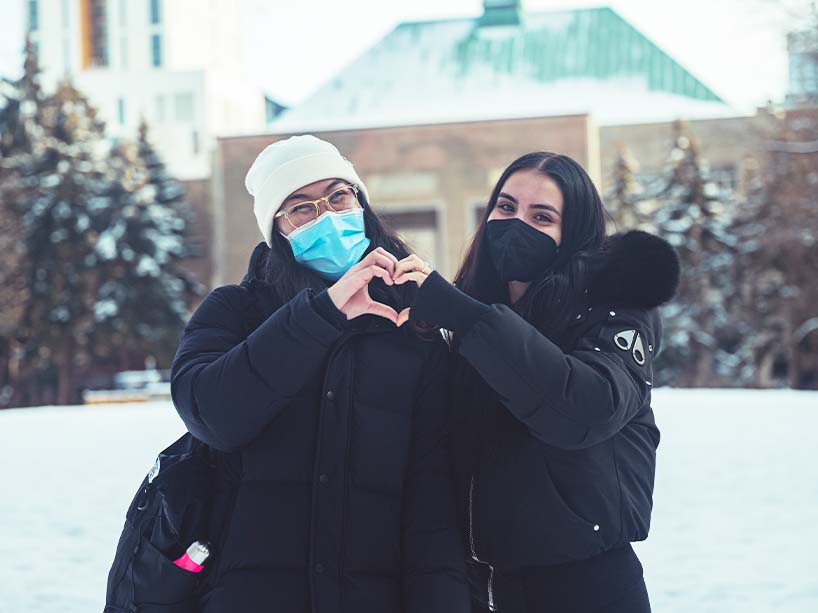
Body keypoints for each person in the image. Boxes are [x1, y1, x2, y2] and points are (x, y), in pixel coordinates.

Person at [170, 135, 469, 613]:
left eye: (338, 195)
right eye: (301, 209)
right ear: (277, 231)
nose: (327, 215)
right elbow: (212, 415)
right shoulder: (236, 310)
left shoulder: (412, 324)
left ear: (362, 204)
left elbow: (433, 499)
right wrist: (323, 314)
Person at [392, 151, 680, 612]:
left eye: (541, 216)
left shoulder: (616, 308)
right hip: (481, 585)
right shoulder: (468, 314)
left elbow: (584, 408)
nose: (515, 224)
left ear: (575, 232)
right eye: (505, 208)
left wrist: (465, 317)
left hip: (587, 583)